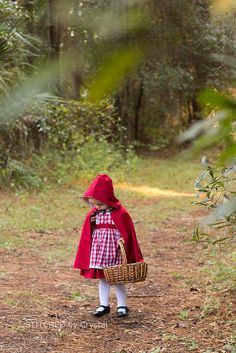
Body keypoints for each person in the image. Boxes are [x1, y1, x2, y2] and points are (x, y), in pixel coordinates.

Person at [73, 174, 144, 318]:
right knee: (103, 278)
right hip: (100, 250)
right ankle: (103, 305)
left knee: (118, 279)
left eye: (100, 204)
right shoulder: (95, 213)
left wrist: (123, 242)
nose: (97, 207)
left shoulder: (120, 213)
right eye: (94, 204)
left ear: (109, 200)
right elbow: (89, 230)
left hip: (115, 251)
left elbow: (126, 231)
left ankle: (122, 305)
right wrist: (92, 222)